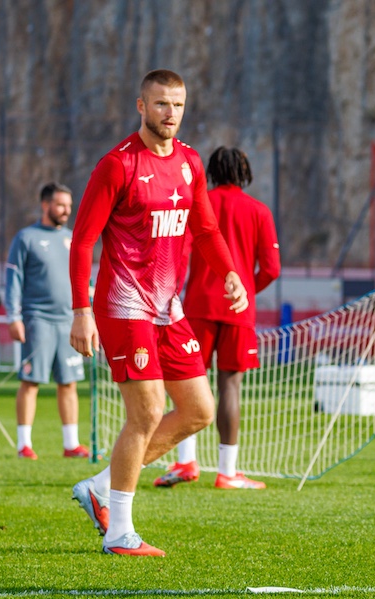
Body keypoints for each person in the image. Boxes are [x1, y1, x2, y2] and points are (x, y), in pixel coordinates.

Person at [68, 69, 247, 557]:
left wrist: (230, 272)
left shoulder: (190, 162)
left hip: (169, 307)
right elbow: (83, 240)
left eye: (179, 105)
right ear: (141, 106)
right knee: (145, 411)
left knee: (198, 411)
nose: (171, 114)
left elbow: (206, 231)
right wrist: (81, 309)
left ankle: (101, 486)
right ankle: (119, 532)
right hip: (124, 306)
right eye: (162, 105)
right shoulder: (117, 166)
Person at [155, 146, 280, 490]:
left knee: (186, 382)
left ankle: (185, 462)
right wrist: (245, 292)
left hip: (196, 306)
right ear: (245, 172)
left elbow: (179, 251)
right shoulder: (259, 211)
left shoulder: (199, 203)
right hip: (238, 310)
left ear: (210, 171)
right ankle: (227, 472)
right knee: (230, 385)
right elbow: (271, 268)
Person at [5, 183, 89, 460]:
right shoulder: (26, 238)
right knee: (31, 381)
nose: (67, 210)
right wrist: (14, 317)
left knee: (69, 383)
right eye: (60, 205)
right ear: (45, 205)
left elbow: (83, 279)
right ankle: (24, 445)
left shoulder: (73, 238)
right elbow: (13, 280)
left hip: (69, 321)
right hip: (36, 320)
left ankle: (71, 444)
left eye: (69, 205)